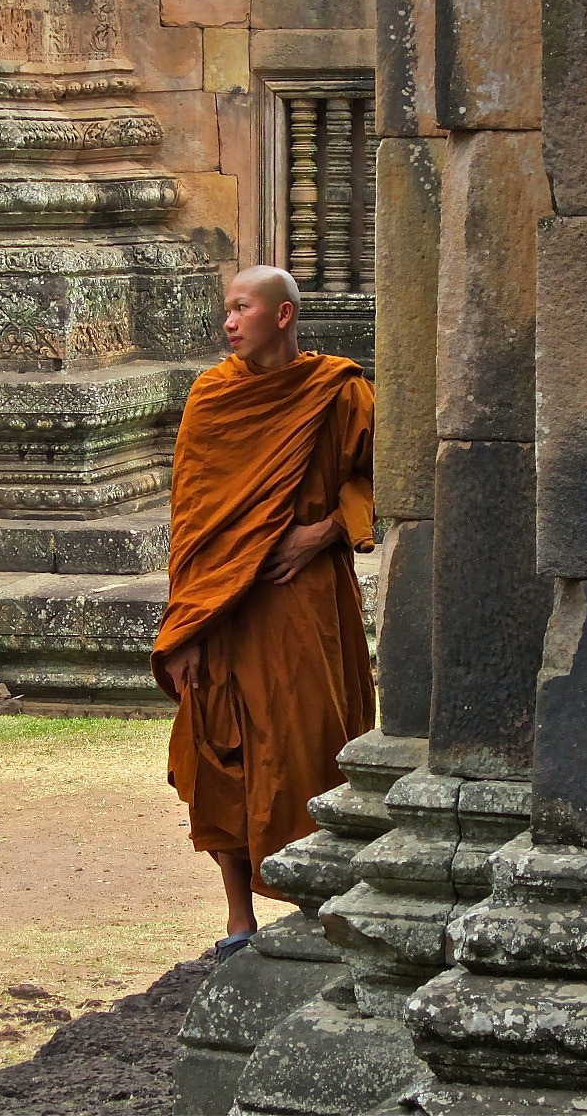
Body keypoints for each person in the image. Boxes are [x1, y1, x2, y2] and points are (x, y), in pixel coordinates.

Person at [153, 264, 376, 962]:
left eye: (241, 308)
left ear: (281, 315)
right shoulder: (213, 397)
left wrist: (325, 531)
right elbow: (190, 517)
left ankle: (324, 901)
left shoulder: (337, 390)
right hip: (222, 607)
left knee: (312, 744)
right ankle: (237, 917)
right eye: (226, 310)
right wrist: (184, 625)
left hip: (304, 604)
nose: (228, 323)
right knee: (220, 756)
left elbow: (385, 470)